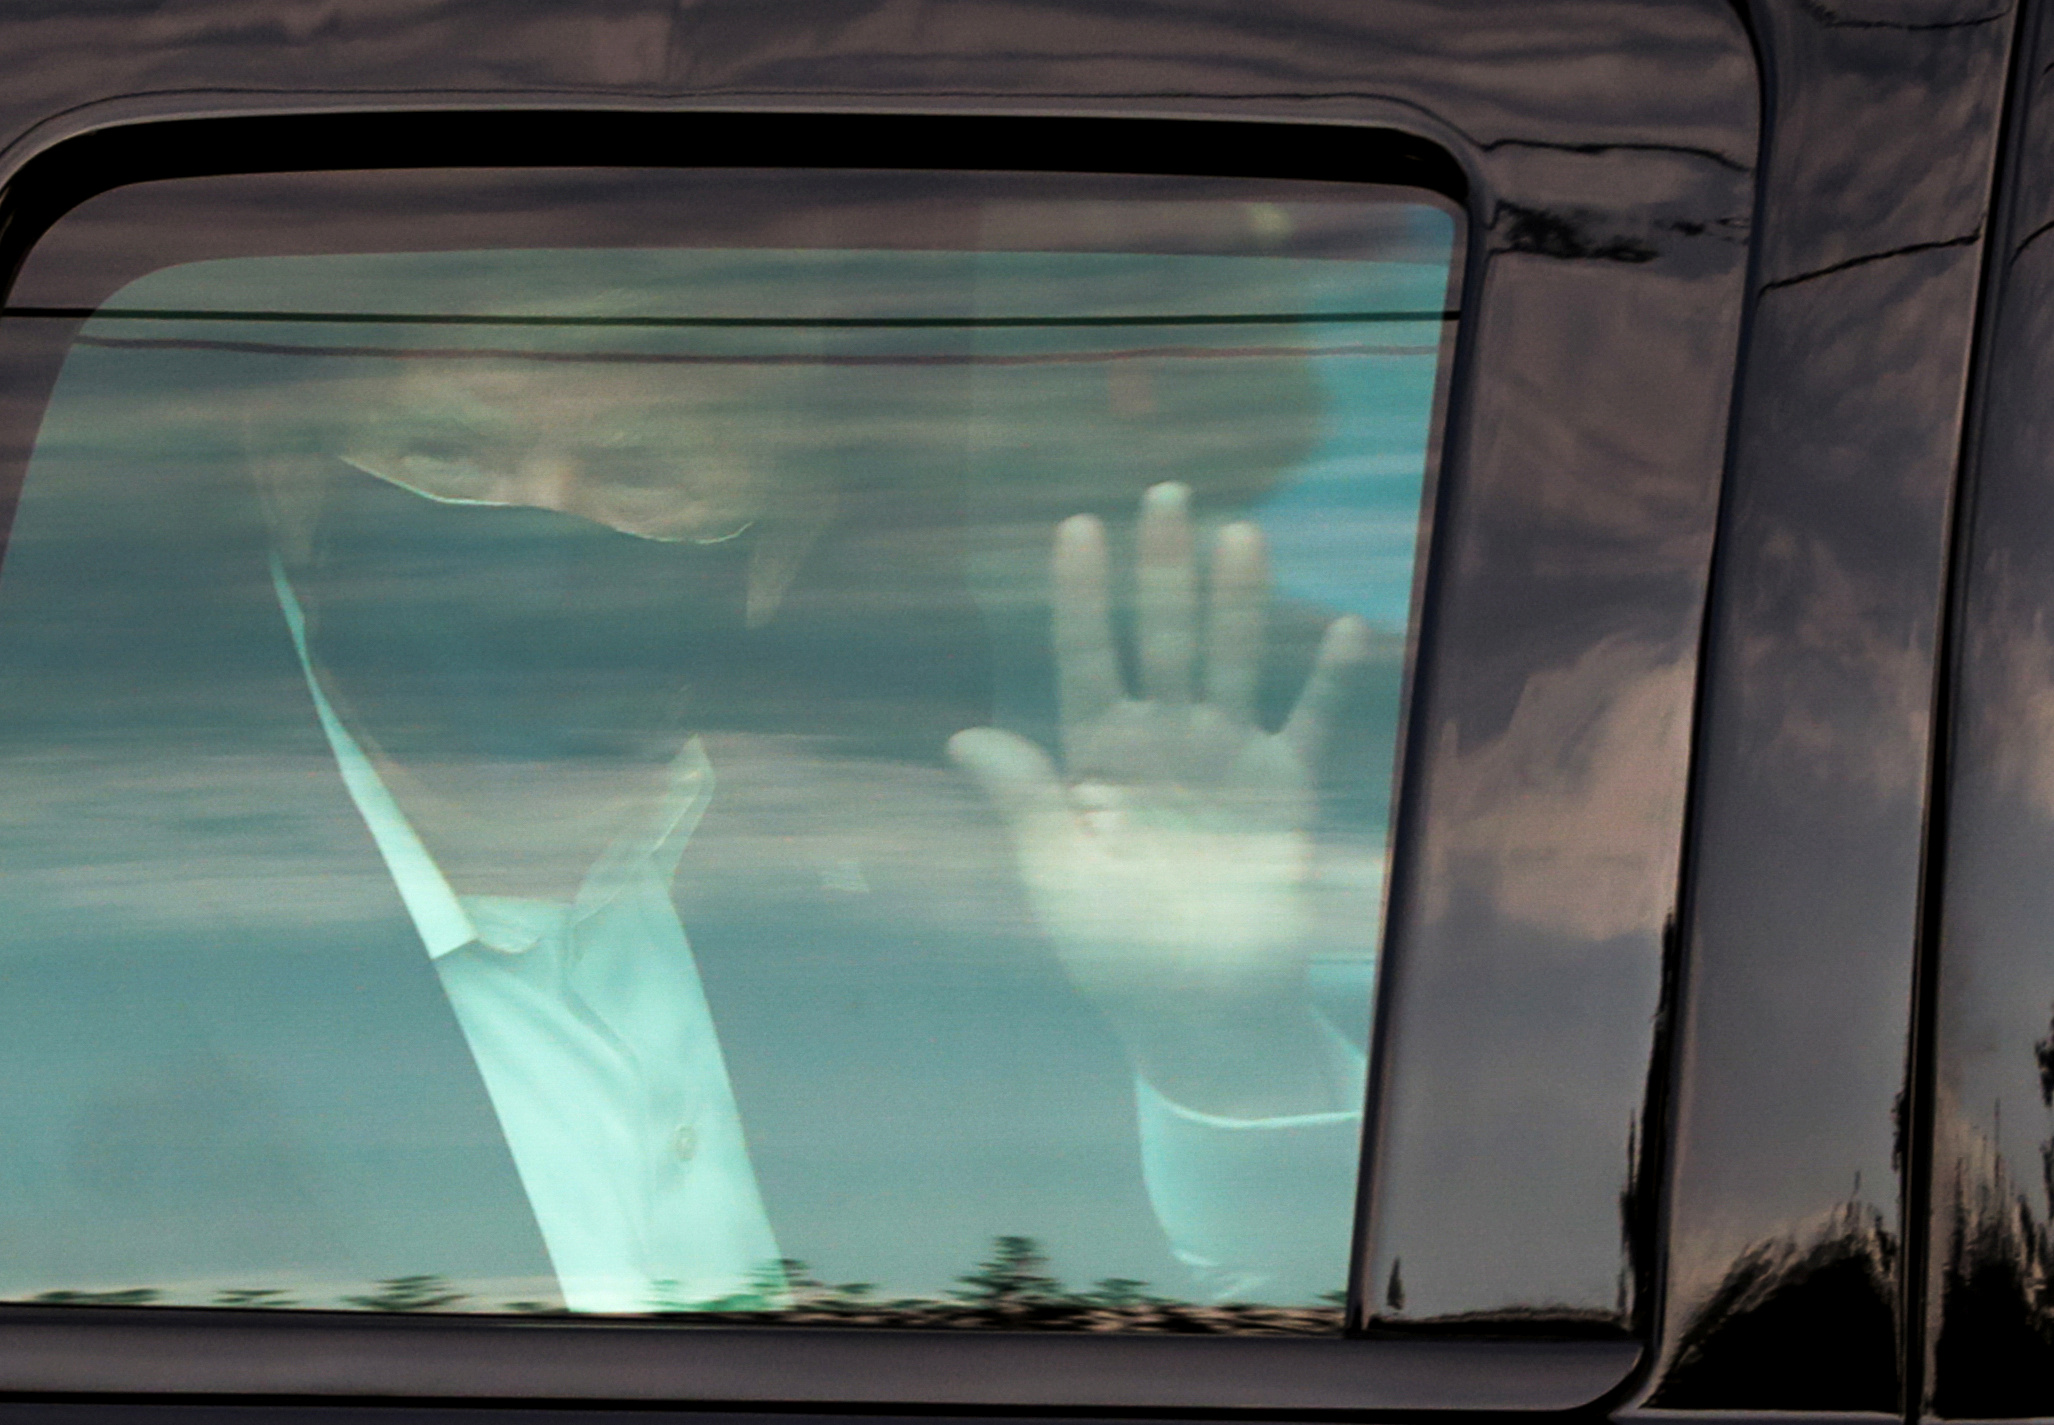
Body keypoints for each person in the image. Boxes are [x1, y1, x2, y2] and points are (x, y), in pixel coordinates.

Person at [0, 283, 1376, 1315]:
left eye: (642, 472)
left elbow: (1251, 1342)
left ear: (773, 547)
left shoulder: (931, 913)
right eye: (448, 459)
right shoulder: (72, 952)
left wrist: (1221, 1040)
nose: (533, 524)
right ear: (292, 488)